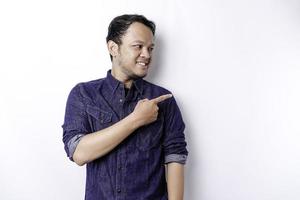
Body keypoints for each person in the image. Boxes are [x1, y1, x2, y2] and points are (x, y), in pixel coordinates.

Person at [62, 14, 188, 200]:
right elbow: (79, 153)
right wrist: (136, 119)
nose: (146, 54)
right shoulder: (84, 94)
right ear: (113, 48)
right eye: (138, 46)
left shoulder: (163, 99)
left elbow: (175, 157)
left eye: (150, 48)